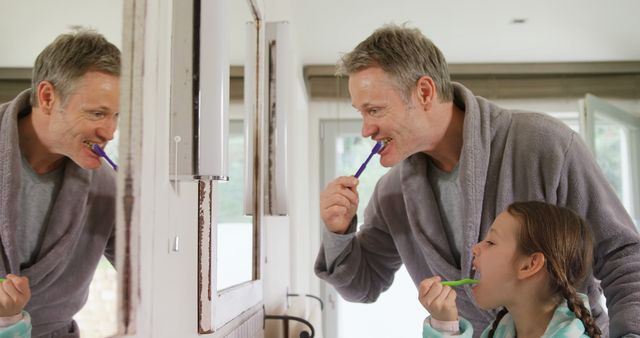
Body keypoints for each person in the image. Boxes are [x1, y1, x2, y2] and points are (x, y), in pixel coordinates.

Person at [314, 24, 640, 337]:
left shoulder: (544, 144)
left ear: (424, 92)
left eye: (375, 110)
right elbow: (363, 285)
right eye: (361, 113)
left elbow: (622, 254)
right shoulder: (392, 193)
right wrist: (339, 232)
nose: (366, 129)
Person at [0, 30, 120, 337]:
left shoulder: (109, 188)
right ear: (48, 97)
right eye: (97, 113)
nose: (110, 132)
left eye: (116, 116)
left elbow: (155, 273)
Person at [419, 201, 601, 337]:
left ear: (529, 265)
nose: (475, 248)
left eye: (491, 242)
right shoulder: (499, 332)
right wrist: (445, 325)